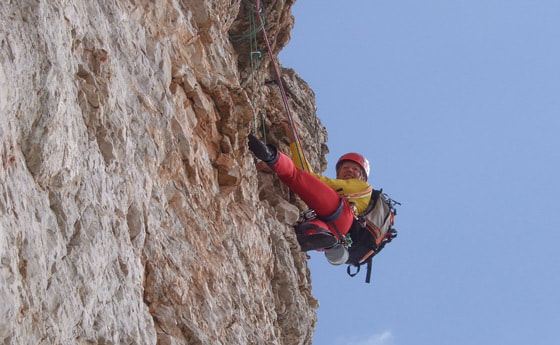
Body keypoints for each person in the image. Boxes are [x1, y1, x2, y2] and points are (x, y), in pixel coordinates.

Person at [247, 125, 373, 265]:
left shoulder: (363, 187)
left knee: (294, 176)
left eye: (355, 169)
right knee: (307, 228)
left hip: (340, 211)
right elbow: (310, 176)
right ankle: (314, 235)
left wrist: (294, 141)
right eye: (345, 168)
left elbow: (308, 177)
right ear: (338, 173)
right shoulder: (347, 190)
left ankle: (270, 155)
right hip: (337, 230)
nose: (349, 170)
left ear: (362, 177)